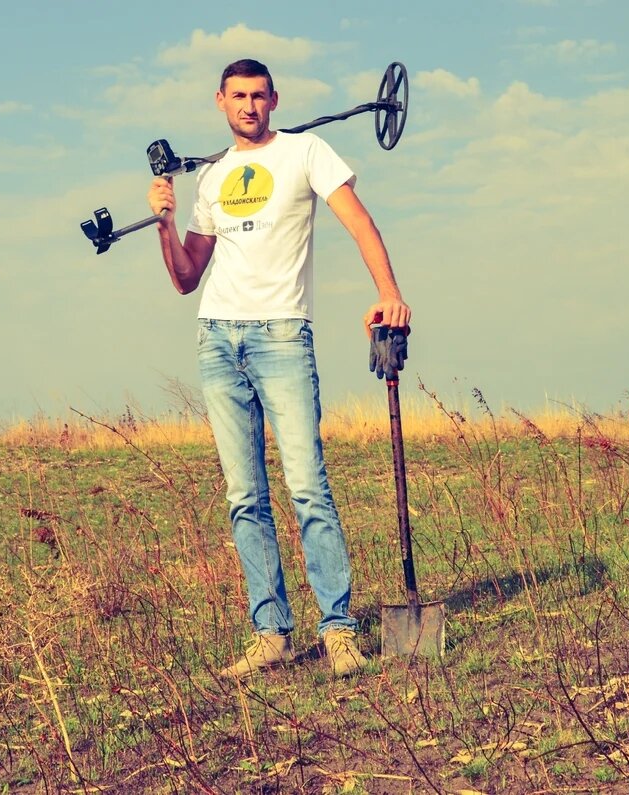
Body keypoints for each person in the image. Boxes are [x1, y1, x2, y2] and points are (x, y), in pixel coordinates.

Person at [147, 58, 411, 678]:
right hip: (217, 340)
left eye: (259, 96)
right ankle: (271, 635)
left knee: (307, 486)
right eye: (237, 96)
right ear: (220, 101)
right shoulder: (211, 176)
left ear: (274, 99)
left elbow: (358, 219)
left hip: (282, 336)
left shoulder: (306, 152)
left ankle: (340, 629)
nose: (249, 106)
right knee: (245, 497)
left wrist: (388, 290)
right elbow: (188, 277)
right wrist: (164, 219)